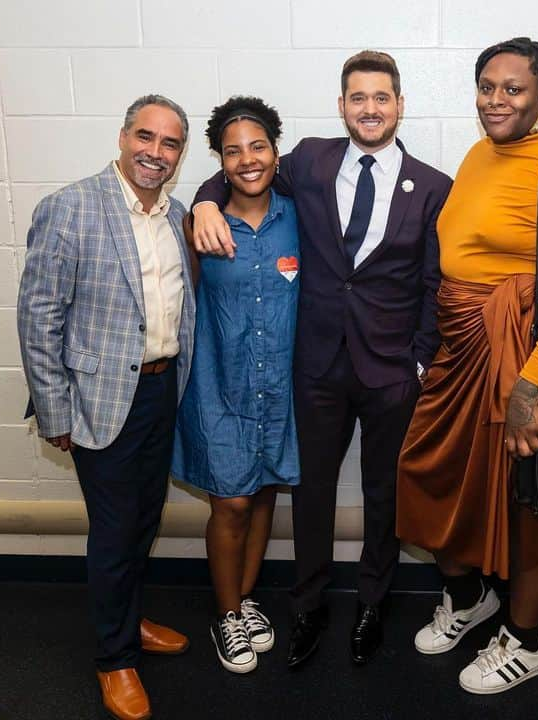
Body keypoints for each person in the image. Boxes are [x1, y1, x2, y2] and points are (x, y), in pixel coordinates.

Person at [190, 51, 451, 668]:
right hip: (316, 365)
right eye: (357, 98)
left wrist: (418, 361)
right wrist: (203, 201)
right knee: (311, 494)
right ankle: (307, 604)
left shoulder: (433, 185)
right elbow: (238, 171)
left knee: (385, 494)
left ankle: (372, 603)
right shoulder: (308, 158)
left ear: (399, 105)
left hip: (391, 372)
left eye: (381, 97)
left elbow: (435, 284)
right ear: (342, 106)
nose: (369, 108)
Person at [396, 37, 538, 695]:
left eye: (513, 88)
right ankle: (470, 601)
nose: (496, 100)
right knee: (431, 473)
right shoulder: (479, 154)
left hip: (529, 359)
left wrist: (530, 388)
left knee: (533, 505)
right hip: (465, 351)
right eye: (487, 87)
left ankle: (528, 639)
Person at [17, 94, 195, 720]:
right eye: (145, 137)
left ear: (180, 154)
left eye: (170, 143)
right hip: (98, 398)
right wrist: (55, 409)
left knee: (144, 519)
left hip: (160, 390)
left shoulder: (175, 216)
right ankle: (114, 659)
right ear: (122, 138)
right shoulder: (68, 209)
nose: (155, 152)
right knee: (116, 531)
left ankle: (128, 617)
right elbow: (39, 317)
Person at [171, 96, 299, 674]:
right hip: (218, 386)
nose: (247, 160)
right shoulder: (197, 222)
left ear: (276, 150)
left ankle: (246, 601)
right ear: (219, 162)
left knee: (266, 491)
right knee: (232, 503)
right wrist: (202, 201)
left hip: (282, 387)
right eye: (232, 150)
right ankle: (226, 612)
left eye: (258, 146)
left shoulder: (300, 216)